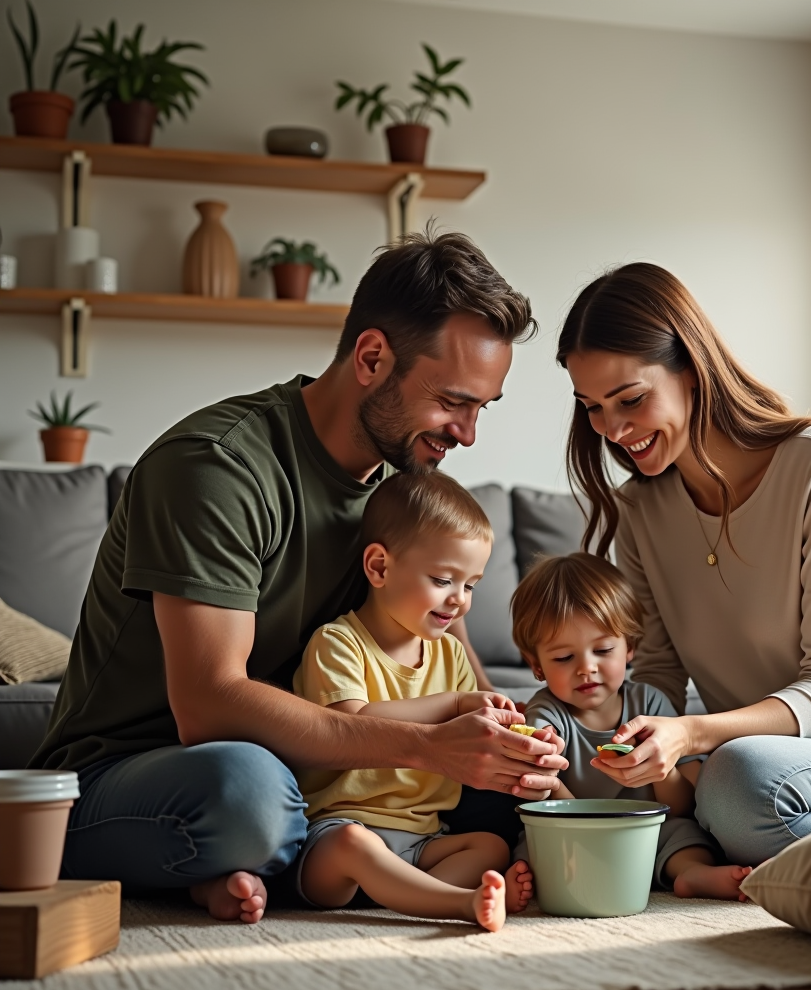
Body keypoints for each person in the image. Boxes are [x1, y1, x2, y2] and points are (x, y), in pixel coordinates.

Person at [31, 230, 566, 924]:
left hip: (317, 775)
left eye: (480, 409)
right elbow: (210, 707)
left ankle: (238, 870)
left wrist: (513, 741)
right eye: (453, 401)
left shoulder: (406, 491)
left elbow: (457, 668)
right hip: (140, 769)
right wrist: (429, 743)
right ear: (372, 357)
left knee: (515, 793)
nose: (467, 434)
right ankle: (239, 854)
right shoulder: (217, 467)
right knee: (249, 795)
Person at [556, 262, 811, 866]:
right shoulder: (639, 508)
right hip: (759, 767)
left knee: (735, 780)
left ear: (691, 371)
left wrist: (693, 735)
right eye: (591, 407)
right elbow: (659, 676)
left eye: (631, 399)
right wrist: (596, 739)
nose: (612, 429)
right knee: (701, 795)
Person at [292, 473, 535, 930]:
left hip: (423, 840)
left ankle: (414, 893)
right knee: (351, 845)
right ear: (380, 568)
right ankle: (456, 904)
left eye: (471, 585)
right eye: (444, 579)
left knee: (490, 846)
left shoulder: (451, 654)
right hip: (340, 837)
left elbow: (477, 735)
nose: (460, 600)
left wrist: (522, 737)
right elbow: (350, 723)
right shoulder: (338, 643)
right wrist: (455, 704)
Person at [509, 552, 752, 900]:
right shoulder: (546, 713)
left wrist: (660, 770)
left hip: (644, 830)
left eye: (603, 650)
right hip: (571, 831)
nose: (586, 668)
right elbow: (545, 795)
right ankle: (537, 882)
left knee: (684, 834)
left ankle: (690, 875)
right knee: (532, 845)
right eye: (564, 658)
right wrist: (549, 781)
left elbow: (683, 804)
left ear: (630, 647)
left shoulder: (650, 706)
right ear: (536, 665)